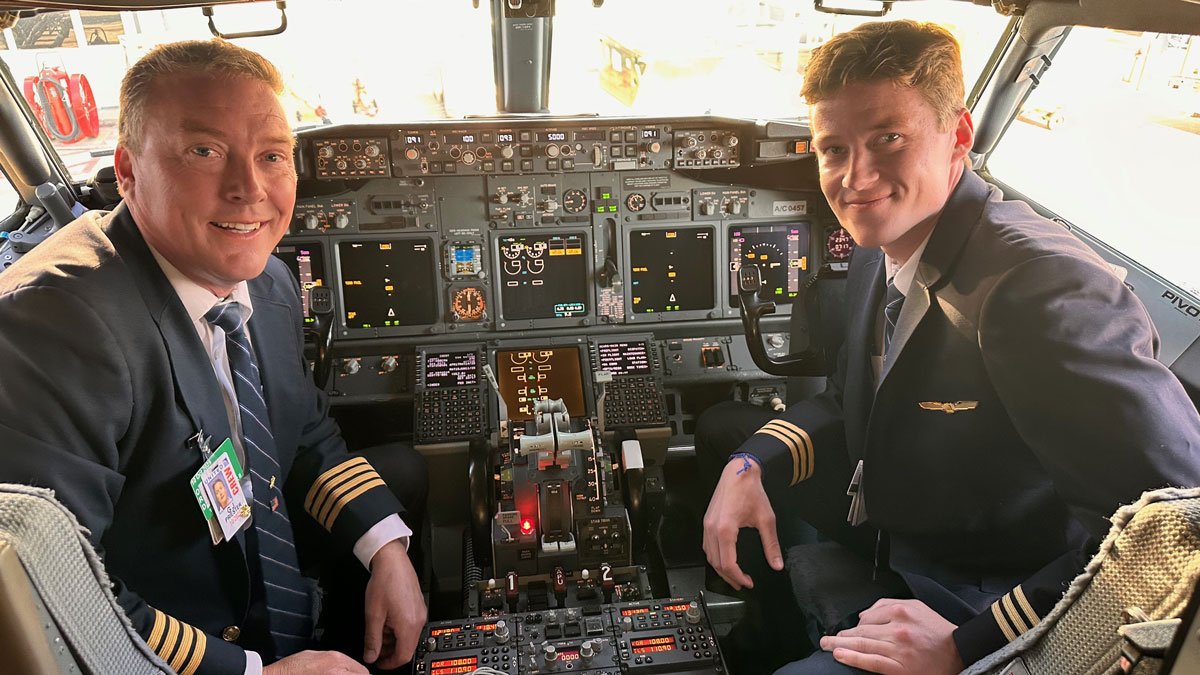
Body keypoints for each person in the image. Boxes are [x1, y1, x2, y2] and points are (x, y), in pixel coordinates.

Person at [698, 20, 1200, 675]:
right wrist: (751, 464)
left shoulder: (1042, 289)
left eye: (889, 138)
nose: (856, 176)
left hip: (991, 593)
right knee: (723, 434)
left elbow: (1172, 519)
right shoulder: (881, 246)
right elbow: (850, 400)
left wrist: (967, 641)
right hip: (919, 512)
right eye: (833, 148)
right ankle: (764, 635)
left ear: (958, 136)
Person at [0, 40, 426, 674]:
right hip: (176, 639)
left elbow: (304, 432)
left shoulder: (268, 282)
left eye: (272, 156)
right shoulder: (56, 327)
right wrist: (256, 673)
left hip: (250, 562)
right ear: (127, 170)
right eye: (204, 151)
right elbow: (58, 595)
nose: (249, 189)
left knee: (408, 477)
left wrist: (388, 551)